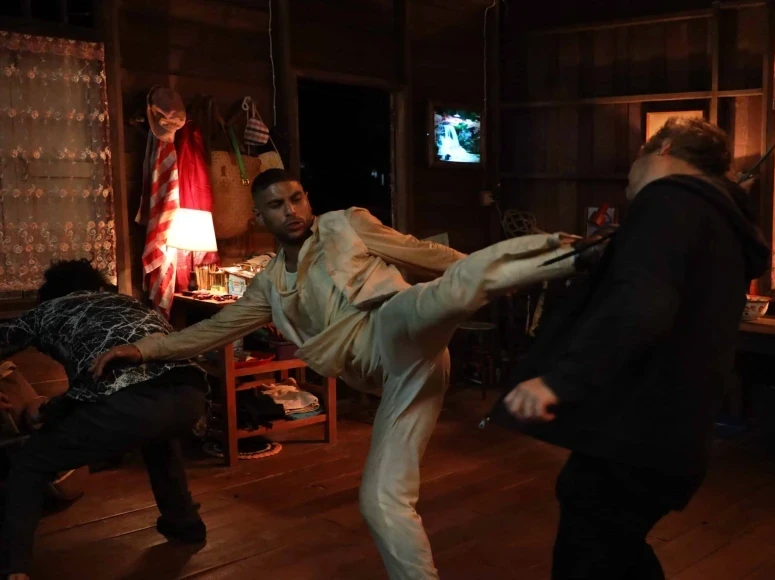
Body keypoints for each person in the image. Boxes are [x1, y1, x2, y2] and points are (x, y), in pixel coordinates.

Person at [91, 168, 582, 580]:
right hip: (395, 376)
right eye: (276, 205)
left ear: (307, 198)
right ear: (259, 217)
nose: (291, 210)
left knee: (447, 291)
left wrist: (486, 274)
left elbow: (423, 254)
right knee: (380, 500)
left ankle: (574, 254)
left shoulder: (345, 224)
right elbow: (210, 332)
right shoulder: (269, 286)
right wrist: (143, 349)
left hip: (394, 324)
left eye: (297, 198)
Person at [497, 118, 771, 579]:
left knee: (591, 550)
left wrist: (560, 380)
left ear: (662, 147)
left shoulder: (669, 200)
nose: (629, 182)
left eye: (632, 165)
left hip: (637, 429)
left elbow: (643, 302)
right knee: (614, 545)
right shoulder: (718, 217)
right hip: (675, 429)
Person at [0, 260, 208, 580]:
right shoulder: (128, 302)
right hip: (190, 394)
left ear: (51, 294)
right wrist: (50, 410)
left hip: (125, 405)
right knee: (158, 435)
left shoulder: (45, 312)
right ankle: (185, 525)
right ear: (96, 285)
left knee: (30, 464)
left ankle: (14, 569)